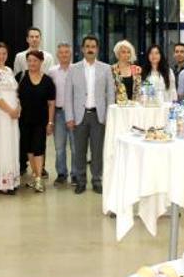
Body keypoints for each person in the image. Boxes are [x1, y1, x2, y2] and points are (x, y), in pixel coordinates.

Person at [64, 35, 115, 195]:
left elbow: (111, 94)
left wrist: (109, 115)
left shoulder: (106, 68)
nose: (90, 49)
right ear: (82, 49)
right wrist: (69, 117)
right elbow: (68, 95)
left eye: (93, 46)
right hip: (79, 116)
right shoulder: (73, 69)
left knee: (97, 150)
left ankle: (97, 180)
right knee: (79, 151)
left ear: (97, 49)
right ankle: (80, 180)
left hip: (98, 116)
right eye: (87, 46)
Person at [18, 51, 56, 193]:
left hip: (41, 121)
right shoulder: (21, 77)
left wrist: (50, 122)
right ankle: (35, 176)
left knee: (39, 148)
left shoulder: (47, 81)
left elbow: (51, 103)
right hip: (24, 120)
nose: (32, 63)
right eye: (30, 61)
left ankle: (39, 178)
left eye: (35, 61)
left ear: (41, 62)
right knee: (28, 149)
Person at [0, 42, 21, 194]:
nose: (1, 56)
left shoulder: (8, 70)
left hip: (13, 115)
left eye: (4, 53)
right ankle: (2, 183)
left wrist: (18, 107)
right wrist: (10, 111)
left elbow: (15, 92)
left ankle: (12, 179)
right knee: (2, 145)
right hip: (1, 115)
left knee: (12, 145)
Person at [47, 43, 76, 186]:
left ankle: (76, 175)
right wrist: (49, 119)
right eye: (61, 52)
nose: (64, 55)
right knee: (59, 147)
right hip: (58, 114)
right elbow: (49, 96)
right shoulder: (52, 72)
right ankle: (61, 174)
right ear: (57, 55)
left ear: (70, 54)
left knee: (76, 147)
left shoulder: (77, 70)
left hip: (74, 114)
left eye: (67, 52)